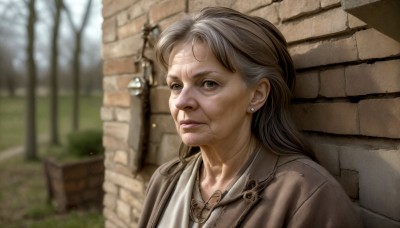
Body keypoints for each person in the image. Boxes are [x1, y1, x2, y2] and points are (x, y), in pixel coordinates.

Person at [138, 7, 363, 228]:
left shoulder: (307, 196)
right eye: (176, 86)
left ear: (257, 95)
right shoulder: (165, 180)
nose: (181, 102)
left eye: (208, 83)